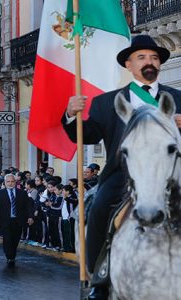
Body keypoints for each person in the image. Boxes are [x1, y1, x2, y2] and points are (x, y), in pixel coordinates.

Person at [62, 34, 181, 299]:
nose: (148, 62)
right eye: (141, 57)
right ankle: (99, 278)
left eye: (153, 58)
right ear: (128, 65)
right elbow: (88, 134)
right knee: (99, 208)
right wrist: (72, 114)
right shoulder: (108, 102)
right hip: (123, 175)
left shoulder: (177, 98)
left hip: (171, 173)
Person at [0, 174, 33, 267]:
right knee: (7, 239)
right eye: (8, 182)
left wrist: (30, 217)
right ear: (4, 182)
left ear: (15, 182)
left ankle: (12, 255)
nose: (10, 183)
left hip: (18, 220)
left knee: (15, 239)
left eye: (12, 181)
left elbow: (28, 206)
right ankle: (9, 256)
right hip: (5, 220)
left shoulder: (22, 193)